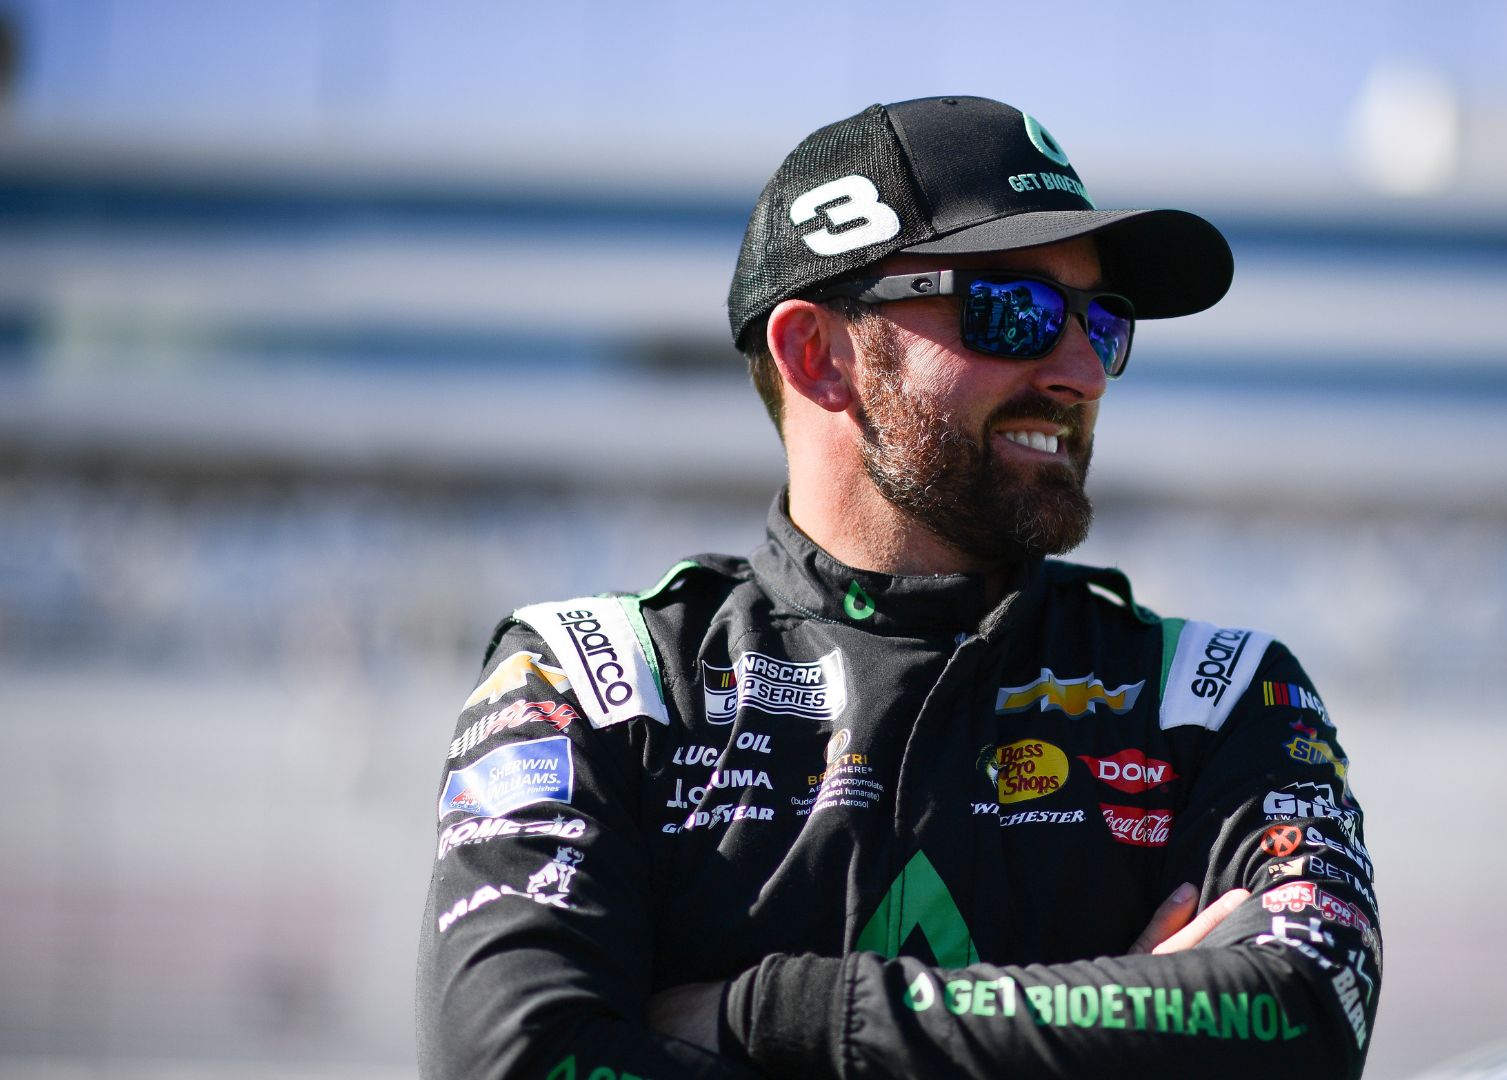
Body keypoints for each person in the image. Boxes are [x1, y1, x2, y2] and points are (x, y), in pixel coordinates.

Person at [417, 95, 1380, 1080]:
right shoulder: (594, 684)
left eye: (1102, 320)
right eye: (1018, 311)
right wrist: (1099, 1042)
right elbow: (517, 1062)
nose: (1084, 370)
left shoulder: (1215, 696)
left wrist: (782, 1018)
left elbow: (1302, 1013)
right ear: (817, 356)